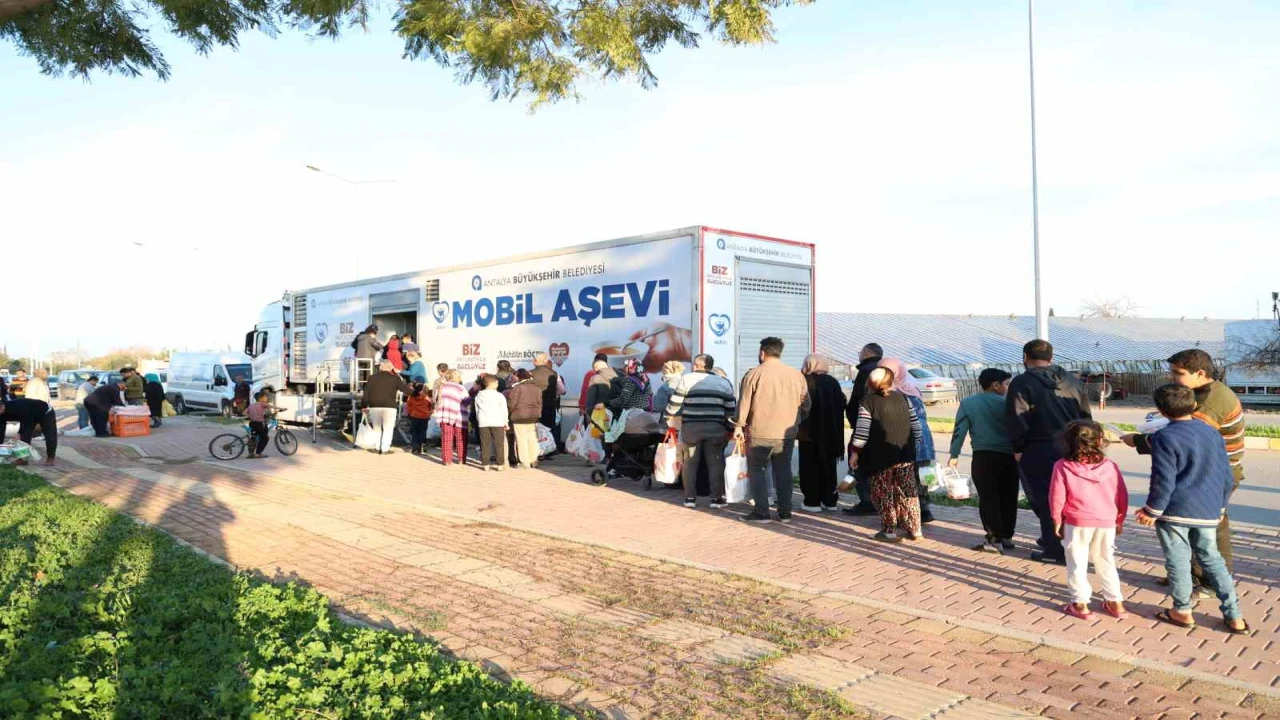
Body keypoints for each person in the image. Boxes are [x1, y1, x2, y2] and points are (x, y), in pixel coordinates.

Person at [1123, 349, 1245, 596]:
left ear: (1200, 373)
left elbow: (1185, 437)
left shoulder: (1213, 399)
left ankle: (1212, 584)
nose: (1172, 378)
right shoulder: (1201, 392)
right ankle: (1184, 575)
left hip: (1214, 474)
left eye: (1177, 373)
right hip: (1199, 470)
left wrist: (1139, 440)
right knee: (1185, 526)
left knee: (1210, 532)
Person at [1135, 384, 1248, 635]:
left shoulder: (1164, 437)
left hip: (1175, 509)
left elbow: (1164, 480)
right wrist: (1220, 506)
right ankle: (1235, 615)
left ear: (1161, 411)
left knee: (1178, 560)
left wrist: (1152, 511)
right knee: (1212, 559)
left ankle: (1182, 611)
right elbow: (1226, 476)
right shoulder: (1212, 434)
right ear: (1194, 406)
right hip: (1208, 509)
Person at [1005, 339, 1092, 564]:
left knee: (1045, 498)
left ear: (1025, 357)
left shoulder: (1022, 382)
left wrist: (1017, 449)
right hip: (1073, 446)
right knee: (1072, 497)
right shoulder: (1072, 381)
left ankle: (1055, 549)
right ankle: (1064, 540)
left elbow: (1017, 418)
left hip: (1038, 447)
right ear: (1051, 358)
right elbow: (1086, 417)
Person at [1049, 420, 1128, 620]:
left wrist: (1057, 519)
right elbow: (1122, 495)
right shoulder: (1111, 467)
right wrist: (1119, 519)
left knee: (1077, 561)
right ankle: (1115, 602)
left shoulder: (1063, 466)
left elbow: (1057, 496)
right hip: (1106, 521)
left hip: (1077, 521)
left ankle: (1080, 604)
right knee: (1105, 560)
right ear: (1100, 441)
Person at [734, 337, 811, 524]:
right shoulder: (796, 375)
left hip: (760, 431)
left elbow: (744, 404)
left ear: (762, 353)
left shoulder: (753, 374)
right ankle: (785, 512)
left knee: (757, 469)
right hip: (786, 432)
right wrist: (797, 420)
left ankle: (762, 513)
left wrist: (739, 425)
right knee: (783, 471)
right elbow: (806, 404)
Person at [849, 367, 924, 542]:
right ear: (890, 380)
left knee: (883, 492)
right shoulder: (904, 398)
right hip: (905, 455)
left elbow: (861, 433)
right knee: (908, 491)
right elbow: (916, 427)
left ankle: (889, 531)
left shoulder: (868, 402)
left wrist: (855, 453)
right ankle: (915, 529)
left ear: (870, 383)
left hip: (879, 457)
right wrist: (914, 445)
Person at [950, 368, 1018, 553]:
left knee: (989, 498)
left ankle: (994, 539)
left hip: (983, 457)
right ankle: (1007, 537)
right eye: (1006, 384)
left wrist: (954, 454)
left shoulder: (968, 403)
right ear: (995, 385)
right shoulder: (1010, 404)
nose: (1008, 387)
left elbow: (959, 431)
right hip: (1010, 457)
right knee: (1009, 496)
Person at [666, 354, 736, 509]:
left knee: (690, 462)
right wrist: (730, 429)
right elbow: (731, 409)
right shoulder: (722, 383)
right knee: (715, 462)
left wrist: (668, 415)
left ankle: (690, 498)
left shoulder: (687, 379)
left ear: (696, 365)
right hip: (715, 428)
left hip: (692, 428)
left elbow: (674, 404)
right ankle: (716, 499)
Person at [878, 357, 936, 523]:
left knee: (901, 476)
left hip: (902, 439)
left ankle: (905, 514)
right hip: (923, 438)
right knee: (921, 473)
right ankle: (923, 509)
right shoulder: (911, 388)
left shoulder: (887, 393)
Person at [798, 354, 846, 513]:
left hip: (809, 434)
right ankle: (830, 501)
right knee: (828, 466)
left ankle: (812, 502)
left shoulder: (804, 380)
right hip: (831, 433)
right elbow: (842, 403)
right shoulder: (833, 382)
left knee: (809, 467)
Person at [842, 343, 884, 516]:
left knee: (857, 458)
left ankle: (867, 501)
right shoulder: (884, 368)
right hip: (882, 425)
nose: (859, 355)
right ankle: (879, 499)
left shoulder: (866, 371)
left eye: (860, 352)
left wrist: (852, 416)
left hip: (865, 423)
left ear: (867, 353)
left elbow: (859, 398)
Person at [361, 360, 410, 455]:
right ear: (391, 368)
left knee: (376, 428)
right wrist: (416, 393)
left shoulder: (372, 378)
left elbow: (366, 393)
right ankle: (385, 449)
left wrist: (364, 405)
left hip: (374, 406)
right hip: (390, 407)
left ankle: (377, 447)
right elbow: (404, 389)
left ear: (380, 367)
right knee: (388, 428)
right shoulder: (395, 378)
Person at [0, 397, 59, 465]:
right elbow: (1, 429)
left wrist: (19, 433)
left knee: (50, 436)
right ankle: (23, 459)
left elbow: (27, 421)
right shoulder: (1, 414)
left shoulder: (17, 406)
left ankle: (51, 458)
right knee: (24, 437)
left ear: (1, 407)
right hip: (30, 416)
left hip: (45, 412)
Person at [504, 369, 542, 468]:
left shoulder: (518, 388)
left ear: (519, 377)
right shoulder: (536, 388)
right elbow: (540, 403)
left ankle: (524, 462)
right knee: (532, 438)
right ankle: (533, 459)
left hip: (519, 416)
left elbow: (511, 403)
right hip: (533, 416)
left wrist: (509, 413)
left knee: (522, 439)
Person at [529, 352, 565, 456]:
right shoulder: (554, 373)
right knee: (549, 430)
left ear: (534, 362)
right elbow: (562, 390)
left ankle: (535, 451)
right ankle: (549, 452)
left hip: (534, 406)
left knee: (534, 431)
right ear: (546, 361)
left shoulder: (530, 373)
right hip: (550, 406)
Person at [474, 375, 509, 471]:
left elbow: (477, 410)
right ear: (492, 384)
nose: (498, 384)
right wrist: (506, 422)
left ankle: (485, 464)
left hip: (483, 421)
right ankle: (500, 464)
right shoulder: (499, 395)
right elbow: (504, 410)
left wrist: (479, 420)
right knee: (499, 443)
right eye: (497, 382)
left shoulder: (478, 395)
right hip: (497, 421)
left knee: (484, 443)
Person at [433, 369, 469, 465]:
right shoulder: (460, 388)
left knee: (446, 437)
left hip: (444, 415)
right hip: (459, 415)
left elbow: (435, 400)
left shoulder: (440, 387)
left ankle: (447, 460)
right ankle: (461, 459)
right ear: (456, 377)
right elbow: (466, 401)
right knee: (461, 438)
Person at [245, 390, 277, 459]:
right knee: (265, 438)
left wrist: (251, 415)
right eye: (265, 397)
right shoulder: (262, 404)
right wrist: (281, 409)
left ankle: (250, 453)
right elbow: (272, 407)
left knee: (253, 438)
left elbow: (244, 413)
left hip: (252, 423)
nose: (266, 398)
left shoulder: (252, 405)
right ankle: (258, 453)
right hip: (260, 424)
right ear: (261, 398)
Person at [405, 381, 433, 454]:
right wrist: (429, 413)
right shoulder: (426, 397)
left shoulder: (411, 397)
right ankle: (421, 447)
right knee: (422, 431)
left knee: (414, 432)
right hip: (425, 417)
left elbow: (409, 407)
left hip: (414, 416)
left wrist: (410, 413)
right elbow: (430, 406)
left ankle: (415, 447)